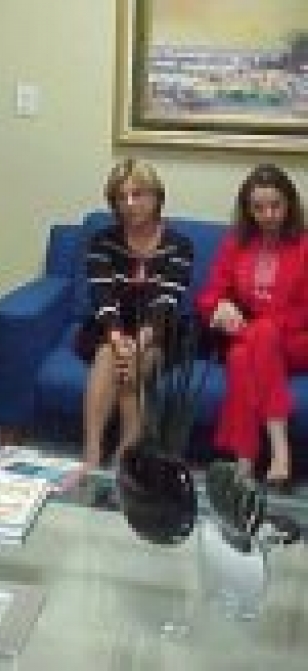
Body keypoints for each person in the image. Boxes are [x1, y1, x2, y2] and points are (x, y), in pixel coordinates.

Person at [196, 164, 308, 493]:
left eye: (275, 206)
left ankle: (274, 450)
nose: (268, 215)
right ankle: (247, 461)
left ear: (289, 205)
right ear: (248, 209)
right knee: (240, 357)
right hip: (250, 338)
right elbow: (209, 295)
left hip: (295, 341)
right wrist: (221, 307)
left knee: (264, 333)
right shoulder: (236, 243)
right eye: (258, 208)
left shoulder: (304, 246)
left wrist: (263, 324)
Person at [76, 159, 194, 470]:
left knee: (136, 363)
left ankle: (125, 455)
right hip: (110, 326)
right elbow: (102, 297)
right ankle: (91, 453)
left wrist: (139, 343)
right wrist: (118, 339)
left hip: (158, 330)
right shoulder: (102, 241)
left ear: (156, 197)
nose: (129, 204)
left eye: (138, 194)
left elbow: (166, 302)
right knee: (108, 355)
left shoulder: (179, 245)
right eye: (121, 197)